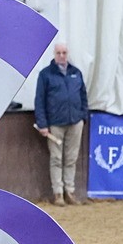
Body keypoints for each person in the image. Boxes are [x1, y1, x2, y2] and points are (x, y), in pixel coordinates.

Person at [34, 43, 89, 206]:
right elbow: (40, 100)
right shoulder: (45, 75)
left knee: (71, 158)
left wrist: (82, 117)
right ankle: (58, 193)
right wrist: (42, 124)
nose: (62, 55)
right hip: (55, 124)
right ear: (54, 54)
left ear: (68, 53)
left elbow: (83, 96)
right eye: (59, 53)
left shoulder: (76, 73)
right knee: (56, 159)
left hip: (75, 122)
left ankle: (69, 191)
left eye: (64, 52)